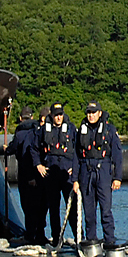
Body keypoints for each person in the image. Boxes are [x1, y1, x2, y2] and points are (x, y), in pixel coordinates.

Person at [75, 102, 123, 249]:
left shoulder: (109, 130)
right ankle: (91, 242)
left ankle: (109, 241)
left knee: (105, 210)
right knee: (89, 212)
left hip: (103, 171)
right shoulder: (81, 130)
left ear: (100, 113)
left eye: (94, 112)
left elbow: (117, 156)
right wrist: (75, 180)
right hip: (86, 172)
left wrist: (117, 177)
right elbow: (76, 156)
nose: (91, 115)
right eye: (89, 112)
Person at [34, 103, 79, 244]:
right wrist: (38, 165)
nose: (59, 117)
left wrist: (75, 167)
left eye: (60, 115)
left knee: (72, 207)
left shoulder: (71, 129)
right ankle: (56, 238)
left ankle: (79, 238)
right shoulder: (43, 130)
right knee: (53, 207)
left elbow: (79, 148)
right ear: (51, 116)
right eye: (56, 115)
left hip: (67, 171)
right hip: (51, 171)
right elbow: (34, 148)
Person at [9, 109, 51, 243]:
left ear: (21, 118)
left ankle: (31, 233)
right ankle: (39, 233)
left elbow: (14, 150)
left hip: (27, 174)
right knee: (41, 206)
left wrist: (6, 149)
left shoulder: (21, 134)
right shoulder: (37, 133)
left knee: (29, 206)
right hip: (39, 174)